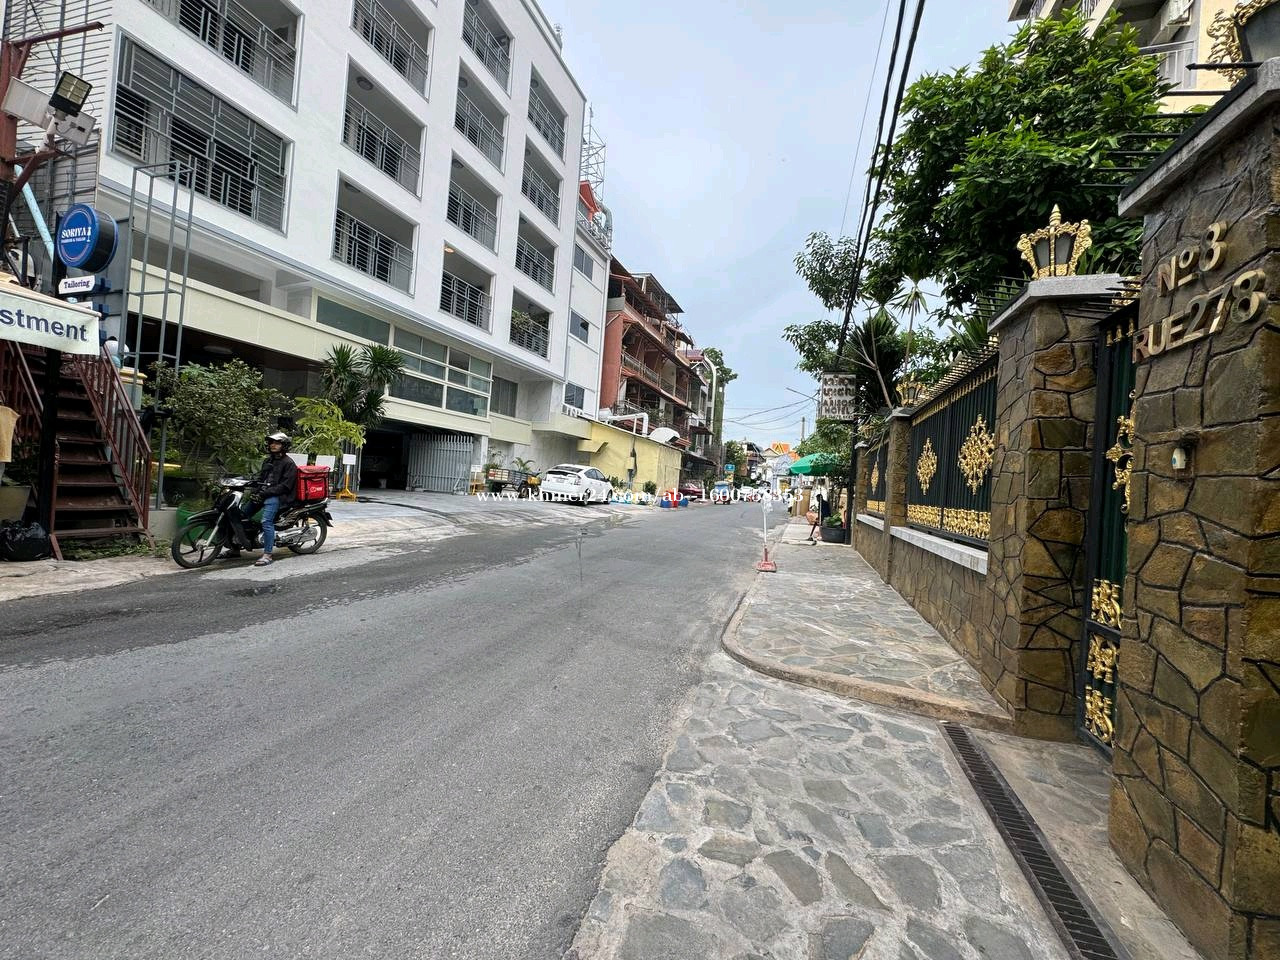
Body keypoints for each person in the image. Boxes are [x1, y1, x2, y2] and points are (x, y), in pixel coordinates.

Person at [228, 431, 297, 566]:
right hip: (263, 494)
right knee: (240, 517)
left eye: (277, 443)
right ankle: (235, 549)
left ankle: (268, 554)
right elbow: (261, 478)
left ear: (284, 445)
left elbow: (285, 486)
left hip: (278, 496)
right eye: (271, 443)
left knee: (266, 521)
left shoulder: (289, 463)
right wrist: (254, 490)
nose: (273, 445)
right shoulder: (268, 461)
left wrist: (264, 493)